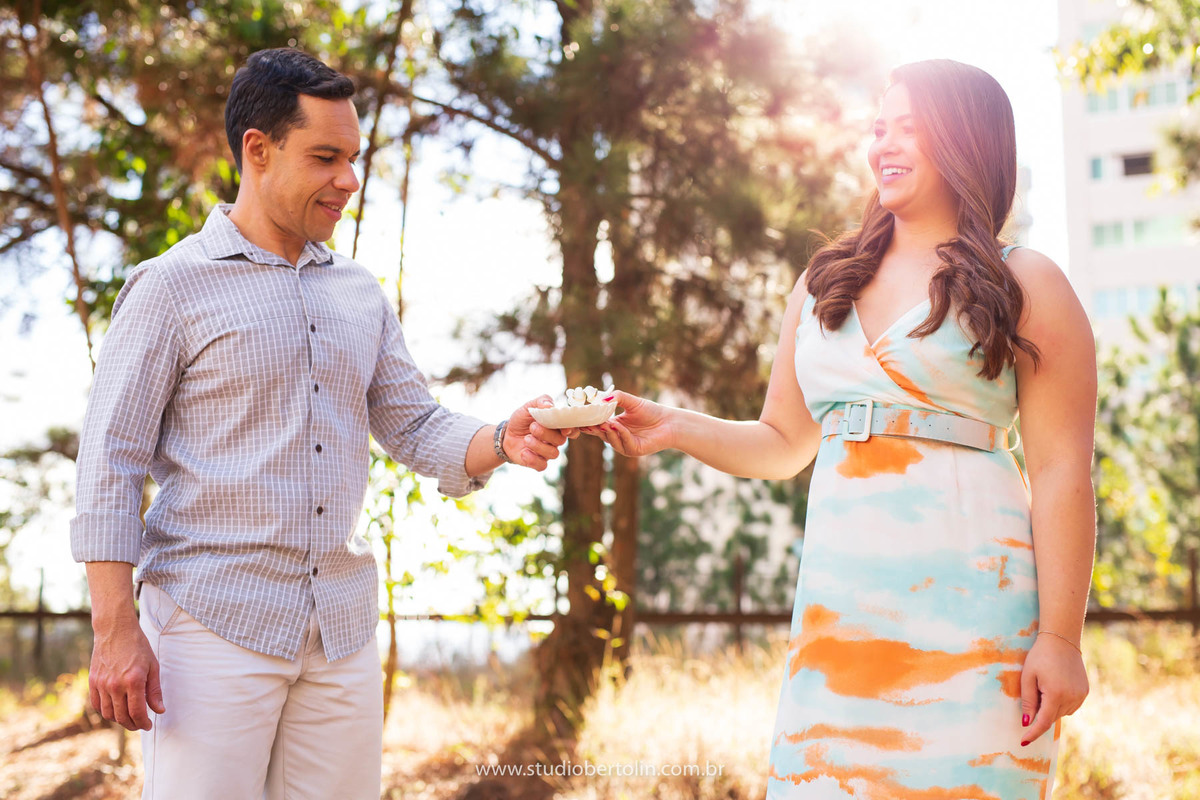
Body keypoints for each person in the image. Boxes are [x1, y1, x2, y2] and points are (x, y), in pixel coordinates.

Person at [582, 59, 1095, 799]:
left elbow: (1059, 474)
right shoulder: (823, 282)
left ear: (966, 140)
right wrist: (673, 426)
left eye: (908, 128)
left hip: (979, 626)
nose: (883, 143)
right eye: (877, 126)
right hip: (839, 623)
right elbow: (783, 442)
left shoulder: (1030, 283)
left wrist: (1059, 639)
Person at [70, 47, 573, 800]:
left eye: (354, 158)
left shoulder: (358, 293)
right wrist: (115, 632)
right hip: (211, 622)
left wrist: (504, 437)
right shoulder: (169, 288)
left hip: (339, 630)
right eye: (327, 157)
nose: (349, 179)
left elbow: (414, 424)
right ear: (258, 150)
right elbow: (109, 461)